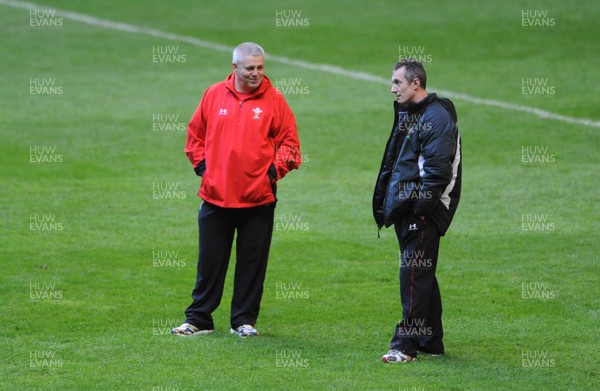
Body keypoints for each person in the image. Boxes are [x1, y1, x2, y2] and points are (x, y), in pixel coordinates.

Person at [172, 42, 302, 338]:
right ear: (235, 68)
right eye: (250, 68)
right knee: (210, 261)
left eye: (260, 67)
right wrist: (205, 170)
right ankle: (199, 319)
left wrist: (271, 174)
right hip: (216, 196)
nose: (256, 73)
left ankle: (243, 321)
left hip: (258, 199)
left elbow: (291, 145)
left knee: (252, 264)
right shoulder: (213, 94)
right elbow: (195, 136)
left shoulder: (275, 100)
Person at [373, 59, 462, 362]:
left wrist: (420, 210)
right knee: (421, 274)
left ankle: (404, 346)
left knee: (412, 274)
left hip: (424, 211)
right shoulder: (412, 113)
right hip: (409, 209)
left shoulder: (435, 118)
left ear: (416, 84)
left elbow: (437, 173)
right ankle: (430, 341)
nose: (392, 88)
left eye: (397, 82)